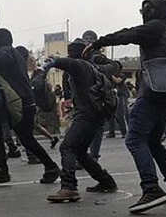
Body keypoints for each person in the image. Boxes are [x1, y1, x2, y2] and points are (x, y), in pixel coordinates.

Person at [82, 0, 166, 213]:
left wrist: (99, 43)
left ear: (155, 10)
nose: (145, 13)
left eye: (147, 9)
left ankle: (151, 188)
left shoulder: (156, 27)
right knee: (153, 141)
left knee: (134, 139)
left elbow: (130, 34)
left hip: (153, 93)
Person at [0, 28, 61, 184]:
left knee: (24, 138)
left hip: (20, 103)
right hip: (18, 102)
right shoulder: (14, 53)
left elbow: (1, 60)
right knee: (0, 133)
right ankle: (4, 170)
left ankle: (49, 168)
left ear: (0, 40)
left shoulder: (7, 52)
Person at [42, 38, 120, 202]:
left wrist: (49, 64)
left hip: (86, 115)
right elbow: (115, 66)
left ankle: (69, 187)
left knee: (67, 147)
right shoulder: (92, 67)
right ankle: (106, 181)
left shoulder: (79, 65)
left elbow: (64, 63)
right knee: (80, 151)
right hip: (95, 115)